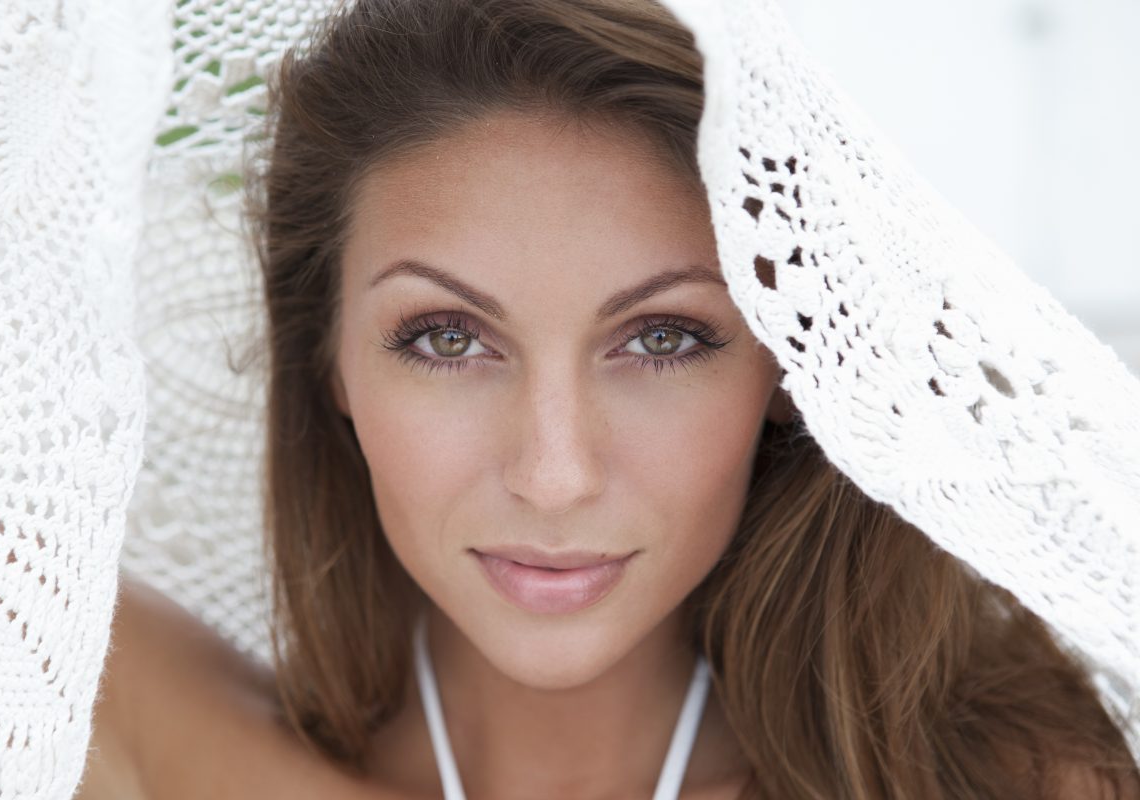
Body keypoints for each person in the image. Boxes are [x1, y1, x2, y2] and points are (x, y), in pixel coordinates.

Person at [65, 0, 1136, 797]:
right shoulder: (121, 722)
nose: (555, 472)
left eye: (664, 338)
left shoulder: (1014, 778)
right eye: (447, 337)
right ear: (330, 360)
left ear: (792, 371)